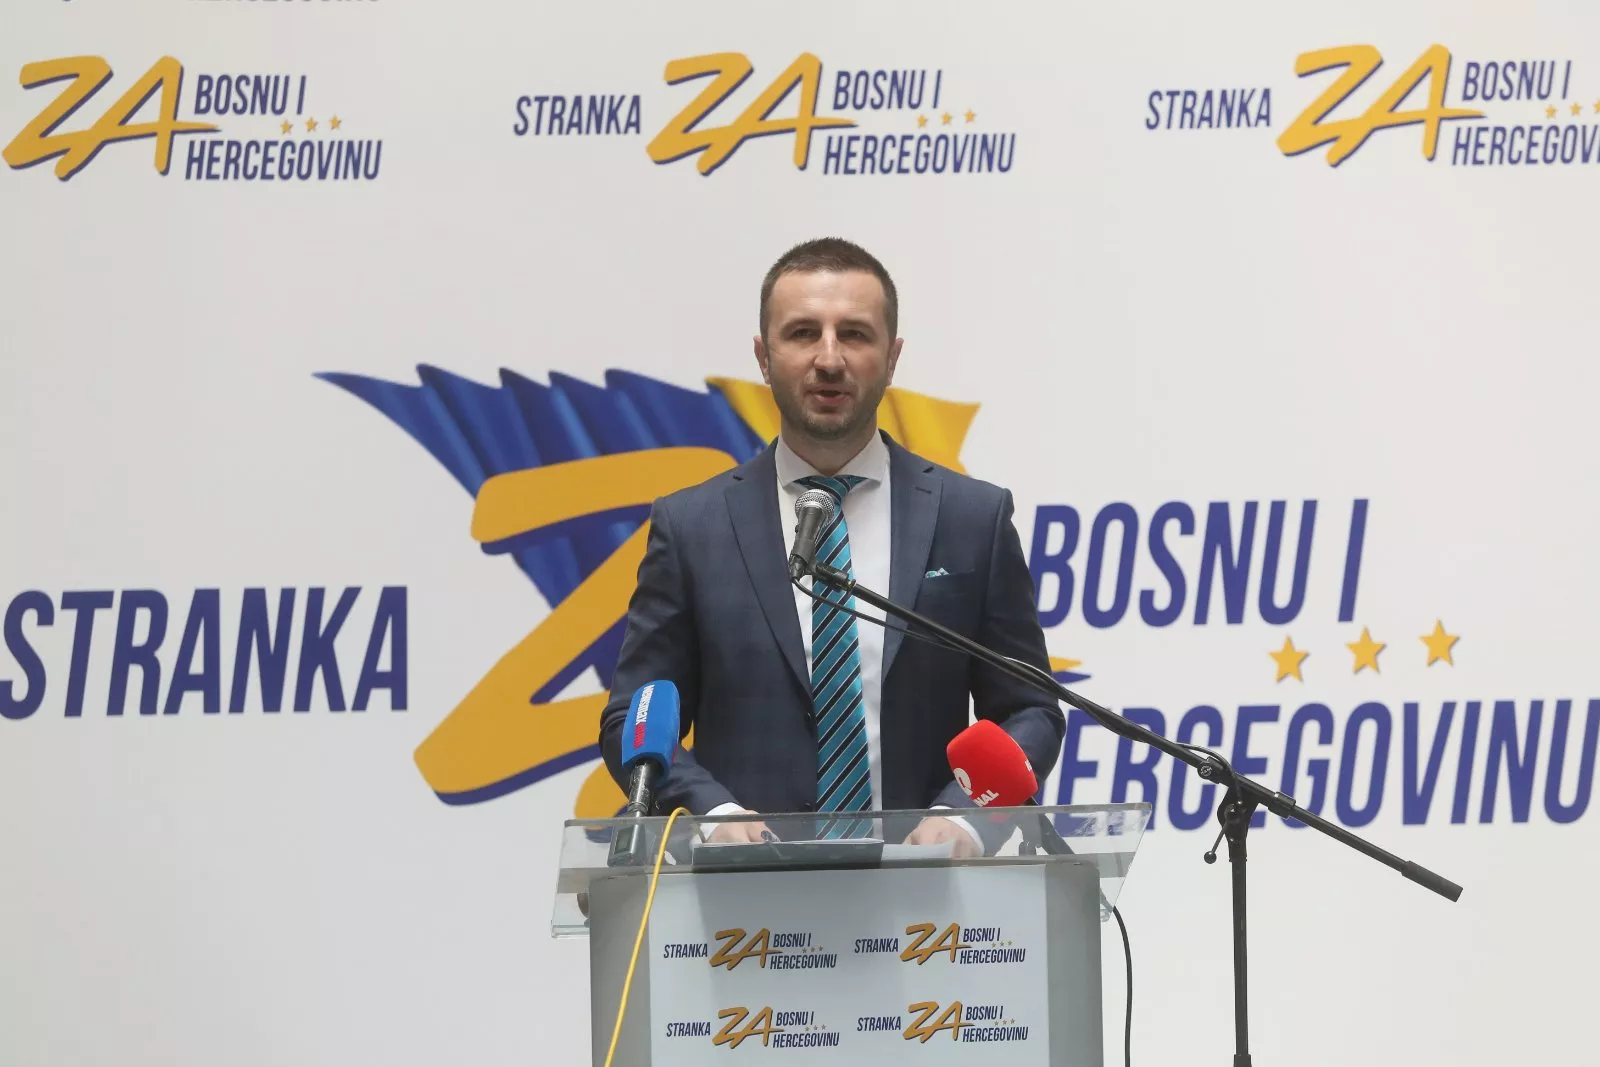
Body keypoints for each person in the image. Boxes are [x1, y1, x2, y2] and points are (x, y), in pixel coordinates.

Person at [597, 237, 1064, 856]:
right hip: (745, 896)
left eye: (855, 334)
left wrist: (967, 817)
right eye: (802, 333)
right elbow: (633, 718)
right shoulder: (693, 527)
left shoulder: (970, 517)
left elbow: (1030, 711)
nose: (829, 358)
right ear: (763, 357)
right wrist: (712, 812)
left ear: (892, 357)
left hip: (928, 890)